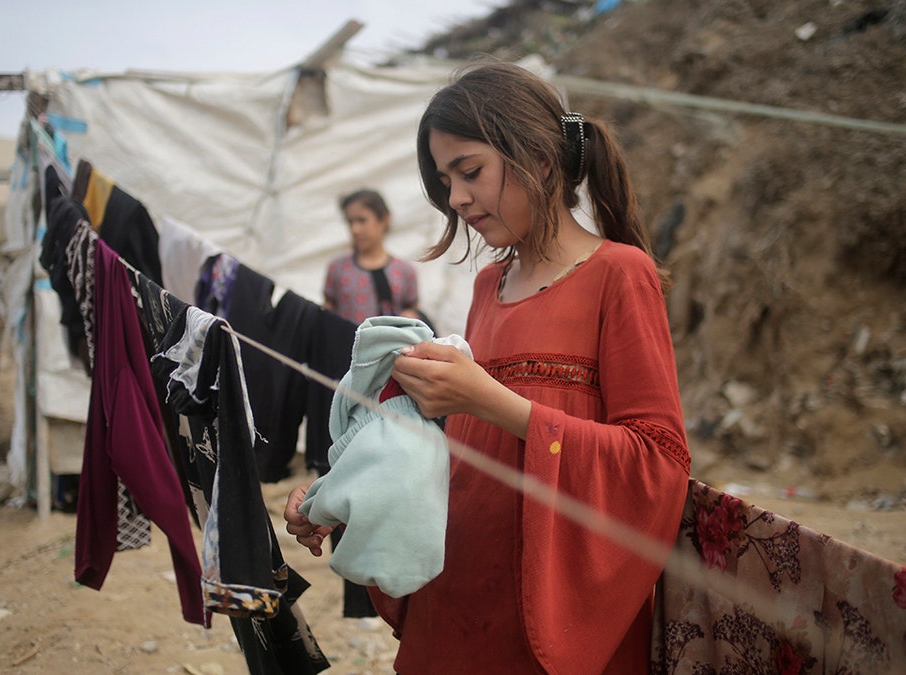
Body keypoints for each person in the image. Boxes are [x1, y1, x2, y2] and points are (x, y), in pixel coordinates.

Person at [285, 61, 691, 674]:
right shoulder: (486, 287)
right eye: (445, 180)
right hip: (457, 588)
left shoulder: (620, 275)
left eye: (470, 172)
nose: (457, 199)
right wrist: (335, 495)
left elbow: (657, 460)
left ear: (541, 159)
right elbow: (446, 451)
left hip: (549, 608)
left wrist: (485, 398)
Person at [323, 189, 423, 326]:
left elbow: (412, 310)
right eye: (350, 222)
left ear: (383, 220)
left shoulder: (404, 271)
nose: (355, 229)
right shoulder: (338, 269)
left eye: (362, 220)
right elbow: (328, 312)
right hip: (347, 345)